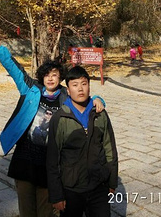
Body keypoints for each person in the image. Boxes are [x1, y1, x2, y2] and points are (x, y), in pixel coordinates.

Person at [0, 32, 105, 217]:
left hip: (50, 163)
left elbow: (84, 96)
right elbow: (15, 69)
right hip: (25, 159)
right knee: (26, 210)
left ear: (60, 78)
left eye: (55, 75)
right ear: (42, 77)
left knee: (46, 211)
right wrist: (0, 49)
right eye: (47, 75)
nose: (50, 78)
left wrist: (98, 99)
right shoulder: (30, 89)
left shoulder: (66, 95)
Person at [47, 65, 118, 217]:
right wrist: (57, 195)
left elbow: (109, 149)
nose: (80, 89)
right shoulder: (60, 118)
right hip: (71, 189)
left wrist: (112, 182)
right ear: (68, 90)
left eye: (84, 84)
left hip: (98, 186)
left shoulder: (99, 114)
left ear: (89, 87)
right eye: (75, 85)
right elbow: (52, 160)